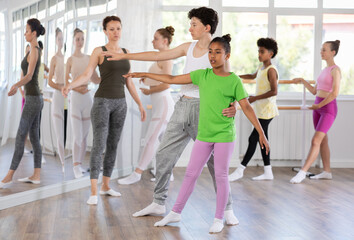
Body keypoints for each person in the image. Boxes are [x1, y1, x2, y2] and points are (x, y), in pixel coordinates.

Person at [103, 7, 238, 224]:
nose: (190, 28)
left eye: (194, 24)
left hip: (206, 110)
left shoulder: (218, 53)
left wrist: (234, 107)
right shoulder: (189, 47)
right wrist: (125, 55)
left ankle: (228, 208)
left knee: (214, 164)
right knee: (164, 154)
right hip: (182, 106)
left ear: (207, 27)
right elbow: (159, 55)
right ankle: (159, 202)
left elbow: (229, 85)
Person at [124, 34, 269, 233]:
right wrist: (147, 75)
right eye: (210, 52)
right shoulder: (203, 75)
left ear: (227, 55)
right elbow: (173, 79)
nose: (212, 56)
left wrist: (261, 133)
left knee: (221, 175)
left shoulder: (234, 80)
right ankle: (175, 212)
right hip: (204, 135)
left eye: (218, 52)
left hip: (224, 135)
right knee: (191, 173)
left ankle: (219, 217)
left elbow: (246, 107)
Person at [62, 16, 146, 205]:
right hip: (101, 102)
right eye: (112, 29)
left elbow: (129, 81)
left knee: (113, 145)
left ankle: (106, 186)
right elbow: (86, 74)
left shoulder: (126, 52)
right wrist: (69, 85)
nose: (116, 32)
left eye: (118, 28)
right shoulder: (99, 51)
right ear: (105, 31)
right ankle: (93, 191)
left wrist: (139, 104)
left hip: (121, 104)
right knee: (99, 145)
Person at [118, 26, 175, 185]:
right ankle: (168, 175)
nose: (152, 41)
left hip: (163, 104)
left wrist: (150, 91)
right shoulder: (159, 58)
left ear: (165, 41)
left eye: (156, 38)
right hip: (159, 104)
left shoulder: (167, 58)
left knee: (150, 139)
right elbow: (158, 78)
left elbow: (167, 83)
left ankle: (137, 173)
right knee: (164, 143)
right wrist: (146, 79)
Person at [0, 18, 45, 188]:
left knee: (20, 136)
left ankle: (9, 175)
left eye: (27, 31)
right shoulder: (31, 50)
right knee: (34, 137)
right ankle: (36, 175)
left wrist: (15, 85)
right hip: (34, 97)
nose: (25, 33)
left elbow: (29, 76)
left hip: (33, 99)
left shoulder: (35, 50)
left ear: (34, 33)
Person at [290, 40, 341, 184]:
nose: (321, 52)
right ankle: (327, 172)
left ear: (333, 52)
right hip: (317, 108)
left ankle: (302, 172)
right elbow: (314, 91)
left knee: (315, 140)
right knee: (323, 141)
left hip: (328, 109)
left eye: (324, 50)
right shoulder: (323, 70)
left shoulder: (335, 70)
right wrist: (302, 80)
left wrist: (319, 106)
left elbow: (335, 93)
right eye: (321, 49)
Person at [229, 38, 279, 181]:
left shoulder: (271, 70)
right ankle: (268, 171)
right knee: (263, 139)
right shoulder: (261, 68)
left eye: (262, 52)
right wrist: (235, 76)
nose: (259, 54)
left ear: (271, 53)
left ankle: (241, 169)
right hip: (261, 109)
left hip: (267, 110)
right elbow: (252, 76)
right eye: (258, 51)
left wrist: (255, 98)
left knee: (253, 138)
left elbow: (274, 91)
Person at [65, 28, 100, 178]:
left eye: (82, 39)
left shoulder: (89, 58)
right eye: (77, 39)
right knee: (77, 137)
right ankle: (75, 166)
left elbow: (96, 79)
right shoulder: (70, 60)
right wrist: (76, 88)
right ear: (73, 41)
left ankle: (80, 164)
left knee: (85, 137)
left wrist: (109, 73)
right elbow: (66, 81)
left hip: (87, 99)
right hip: (75, 99)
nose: (80, 42)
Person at [48, 28, 66, 172]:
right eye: (59, 38)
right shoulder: (54, 58)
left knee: (66, 131)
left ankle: (65, 162)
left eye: (62, 38)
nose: (61, 41)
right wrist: (60, 87)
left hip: (69, 97)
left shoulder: (68, 58)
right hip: (58, 97)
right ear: (56, 40)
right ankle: (62, 164)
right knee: (59, 132)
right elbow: (50, 81)